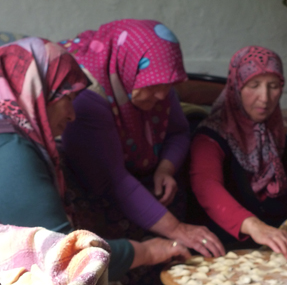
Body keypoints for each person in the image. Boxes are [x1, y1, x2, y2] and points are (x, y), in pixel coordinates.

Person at [0, 38, 187, 280]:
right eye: (67, 99)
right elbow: (61, 256)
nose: (73, 115)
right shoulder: (3, 148)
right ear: (37, 91)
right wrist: (148, 251)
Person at [61, 19, 224, 260]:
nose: (161, 95)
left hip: (132, 173)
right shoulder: (89, 97)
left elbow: (178, 132)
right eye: (153, 86)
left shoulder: (158, 83)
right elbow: (113, 179)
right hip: (95, 184)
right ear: (128, 68)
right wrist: (177, 229)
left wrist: (165, 168)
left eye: (167, 86)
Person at [189, 46, 287, 259]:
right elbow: (206, 188)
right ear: (236, 87)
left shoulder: (280, 141)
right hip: (225, 254)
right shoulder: (210, 137)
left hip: (279, 255)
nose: (265, 97)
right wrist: (255, 227)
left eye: (273, 86)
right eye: (254, 85)